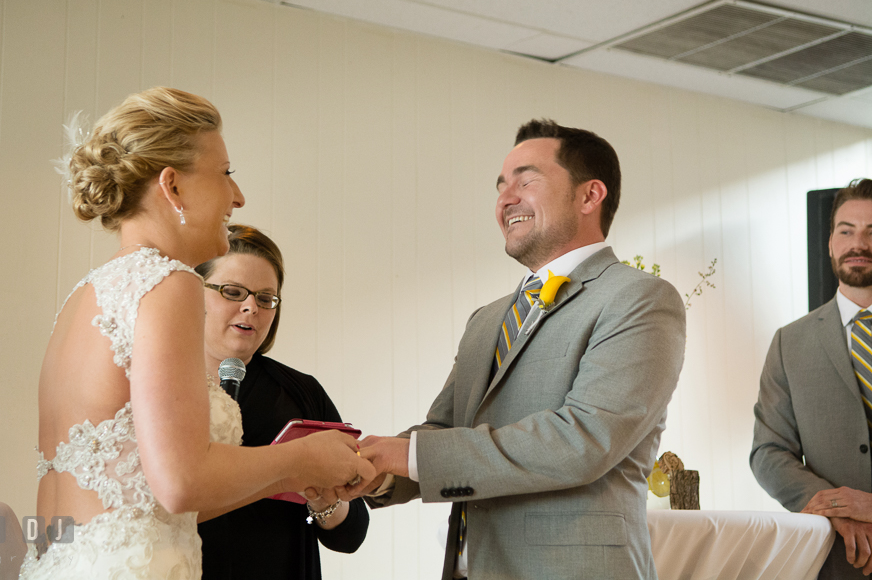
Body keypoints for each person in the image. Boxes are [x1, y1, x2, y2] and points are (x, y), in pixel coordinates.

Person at [20, 87, 374, 580]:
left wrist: (299, 474)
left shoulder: (85, 295)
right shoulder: (169, 284)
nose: (238, 196)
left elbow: (145, 503)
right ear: (173, 186)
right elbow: (181, 484)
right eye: (225, 174)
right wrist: (303, 456)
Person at [347, 119, 687, 579]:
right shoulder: (487, 319)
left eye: (526, 181)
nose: (505, 200)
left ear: (590, 196)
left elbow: (584, 439)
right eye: (500, 187)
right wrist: (371, 469)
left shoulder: (639, 298)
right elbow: (444, 428)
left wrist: (403, 455)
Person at [195, 225, 369, 580]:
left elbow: (352, 534)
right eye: (232, 292)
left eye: (265, 298)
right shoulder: (158, 384)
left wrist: (325, 501)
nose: (250, 307)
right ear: (193, 293)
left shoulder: (300, 392)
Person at [752, 178, 872, 579]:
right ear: (830, 244)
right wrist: (834, 509)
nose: (859, 243)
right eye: (846, 231)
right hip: (837, 558)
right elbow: (769, 452)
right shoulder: (790, 342)